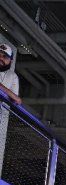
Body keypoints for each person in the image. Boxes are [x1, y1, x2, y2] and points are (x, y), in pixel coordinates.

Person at [0, 42, 21, 176]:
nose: (1, 58)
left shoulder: (12, 76)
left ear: (10, 60)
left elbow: (17, 100)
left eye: (5, 57)